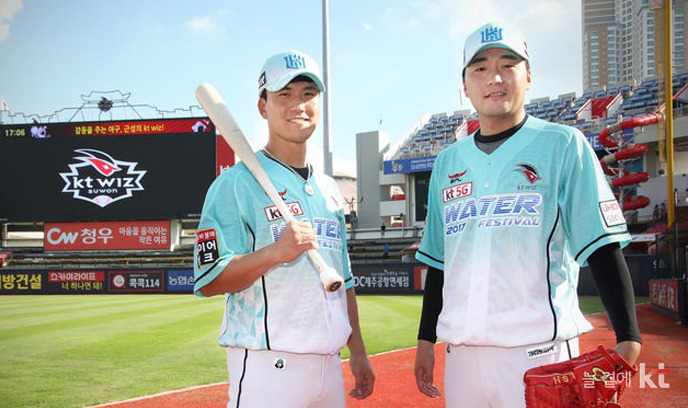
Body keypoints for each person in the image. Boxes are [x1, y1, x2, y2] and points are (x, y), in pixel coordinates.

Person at [413, 22, 642, 407]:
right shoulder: (447, 161)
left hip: (541, 357)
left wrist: (629, 339)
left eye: (508, 65)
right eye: (480, 68)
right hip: (462, 361)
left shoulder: (563, 144)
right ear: (465, 85)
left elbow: (601, 246)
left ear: (529, 76)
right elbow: (440, 262)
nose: (495, 78)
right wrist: (424, 340)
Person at [193, 49, 374, 408]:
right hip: (269, 370)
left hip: (329, 366)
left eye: (308, 94)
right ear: (263, 107)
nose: (298, 105)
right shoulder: (235, 184)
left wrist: (358, 350)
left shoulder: (329, 189)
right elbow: (209, 279)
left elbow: (344, 281)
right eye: (284, 95)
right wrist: (275, 253)